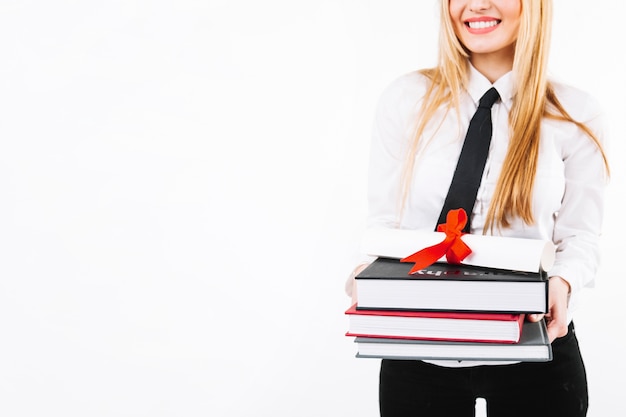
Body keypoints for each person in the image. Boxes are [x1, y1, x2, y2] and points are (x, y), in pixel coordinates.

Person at [345, 0, 610, 416]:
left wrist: (564, 282)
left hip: (534, 347)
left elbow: (580, 236)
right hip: (420, 353)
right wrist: (370, 272)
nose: (477, 4)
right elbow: (385, 221)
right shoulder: (406, 99)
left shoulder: (575, 113)